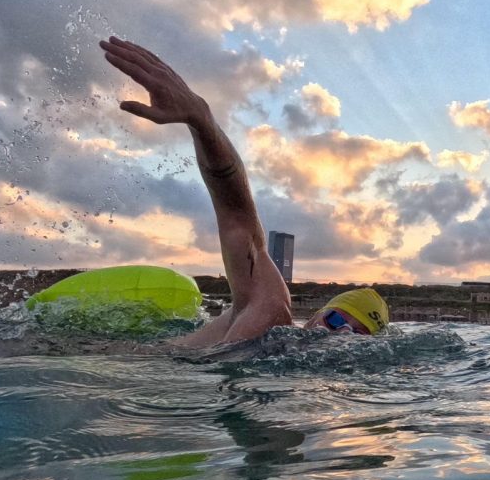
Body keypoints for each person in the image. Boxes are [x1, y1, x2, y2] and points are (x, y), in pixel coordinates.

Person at [99, 37, 388, 346]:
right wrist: (202, 121)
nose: (339, 333)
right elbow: (239, 221)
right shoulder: (270, 312)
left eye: (357, 335)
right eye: (335, 320)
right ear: (319, 315)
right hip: (122, 364)